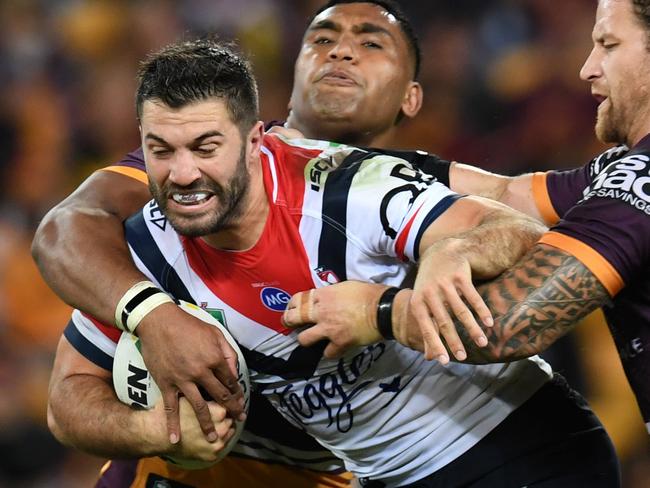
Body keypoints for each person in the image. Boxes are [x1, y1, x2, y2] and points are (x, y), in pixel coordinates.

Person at [54, 36, 620, 487]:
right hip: (383, 477)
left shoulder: (343, 187)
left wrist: (451, 255)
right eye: (161, 150)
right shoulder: (145, 253)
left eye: (206, 148)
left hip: (519, 450)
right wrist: (152, 429)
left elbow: (513, 227)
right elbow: (67, 400)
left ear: (255, 142)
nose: (181, 175)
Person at [282, 0, 650, 439]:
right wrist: (325, 160)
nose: (587, 67)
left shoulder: (639, 179)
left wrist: (376, 311)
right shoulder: (623, 169)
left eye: (608, 44)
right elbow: (506, 195)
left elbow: (511, 323)